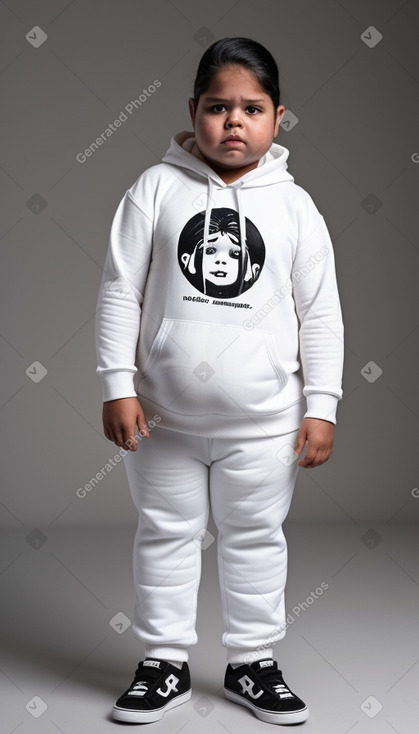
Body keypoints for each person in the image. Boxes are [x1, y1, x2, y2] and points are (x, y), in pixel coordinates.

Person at [95, 36, 344, 726]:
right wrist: (117, 384)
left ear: (277, 117)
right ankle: (163, 663)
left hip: (264, 426)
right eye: (217, 106)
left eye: (251, 108)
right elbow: (120, 291)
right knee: (164, 534)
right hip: (162, 423)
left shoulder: (295, 208)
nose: (233, 122)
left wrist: (319, 406)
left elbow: (320, 313)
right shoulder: (154, 188)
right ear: (191, 111)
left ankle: (252, 663)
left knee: (255, 538)